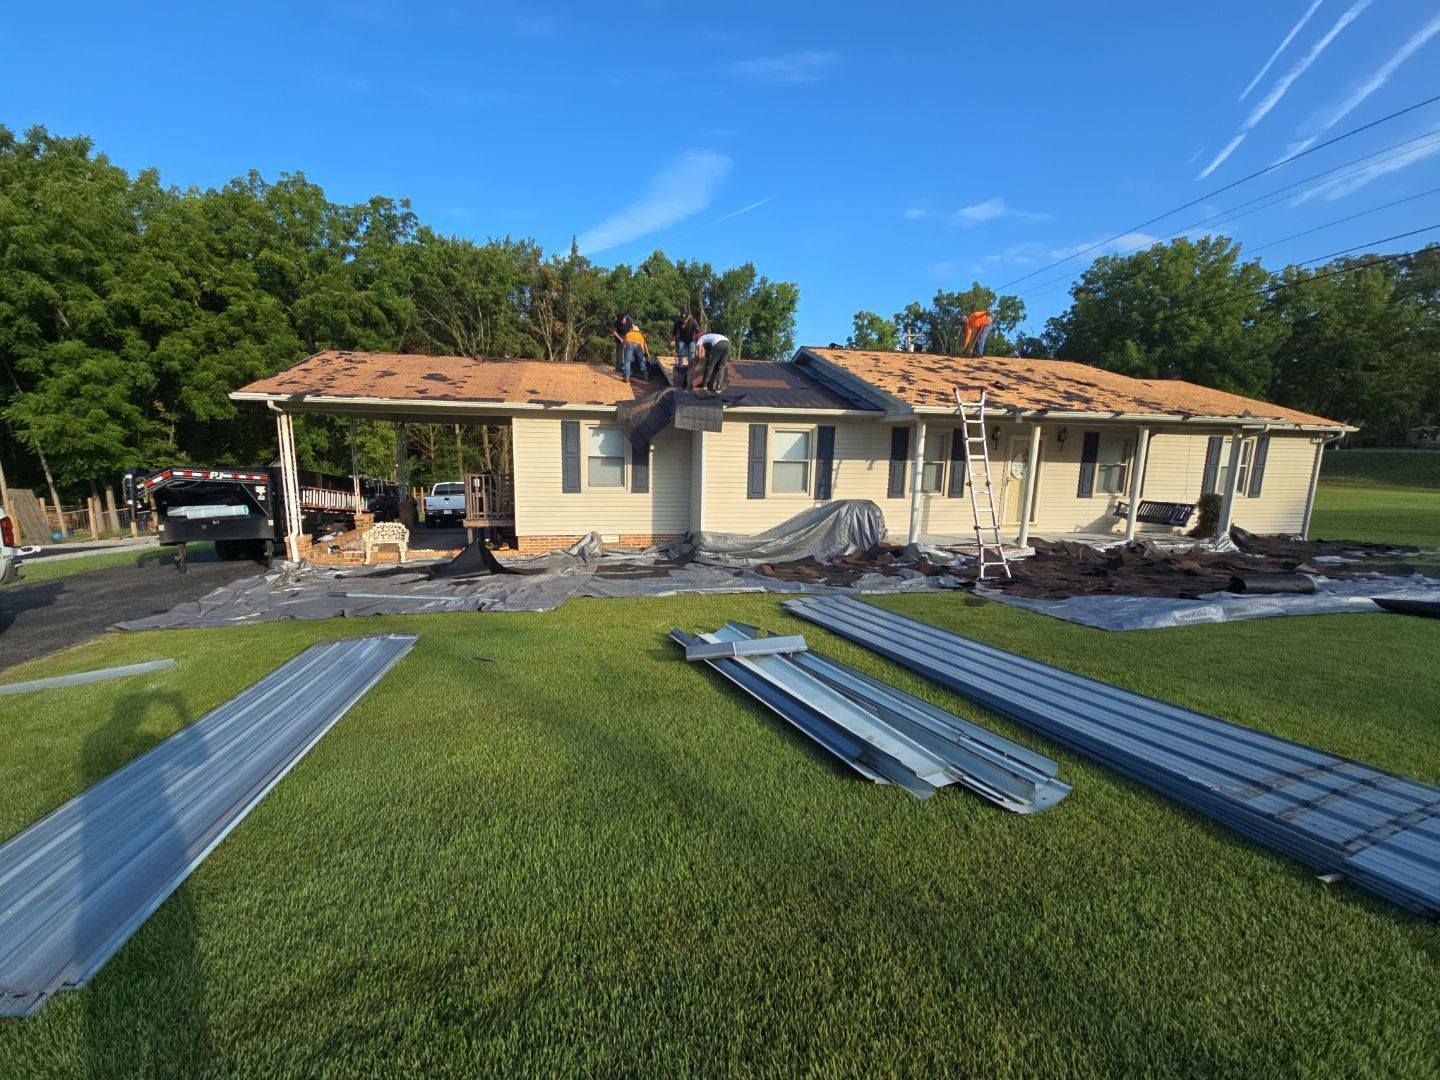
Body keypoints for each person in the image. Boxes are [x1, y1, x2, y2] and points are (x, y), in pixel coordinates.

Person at [671, 311, 700, 386]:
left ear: (688, 317)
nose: (683, 321)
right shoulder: (678, 322)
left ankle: (690, 369)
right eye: (682, 319)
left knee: (691, 355)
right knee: (680, 352)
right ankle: (679, 369)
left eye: (685, 319)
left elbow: (698, 332)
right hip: (682, 339)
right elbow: (674, 332)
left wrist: (698, 342)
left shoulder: (693, 322)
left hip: (691, 340)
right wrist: (673, 340)